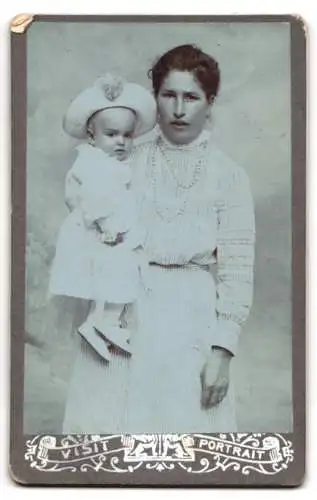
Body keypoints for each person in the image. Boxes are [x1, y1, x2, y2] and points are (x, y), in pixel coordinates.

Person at [62, 44, 255, 433]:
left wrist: (223, 350)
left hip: (192, 321)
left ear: (210, 101)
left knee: (186, 446)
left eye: (191, 97)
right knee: (108, 442)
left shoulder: (229, 175)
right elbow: (85, 211)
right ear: (155, 99)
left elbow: (237, 269)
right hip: (124, 312)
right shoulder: (123, 160)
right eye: (169, 95)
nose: (179, 110)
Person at [49, 73, 156, 361]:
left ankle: (101, 323)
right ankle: (102, 323)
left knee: (116, 276)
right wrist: (107, 226)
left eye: (127, 135)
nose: (121, 141)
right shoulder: (96, 164)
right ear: (92, 136)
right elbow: (92, 199)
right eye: (112, 135)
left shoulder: (108, 161)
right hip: (100, 229)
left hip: (106, 229)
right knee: (117, 273)